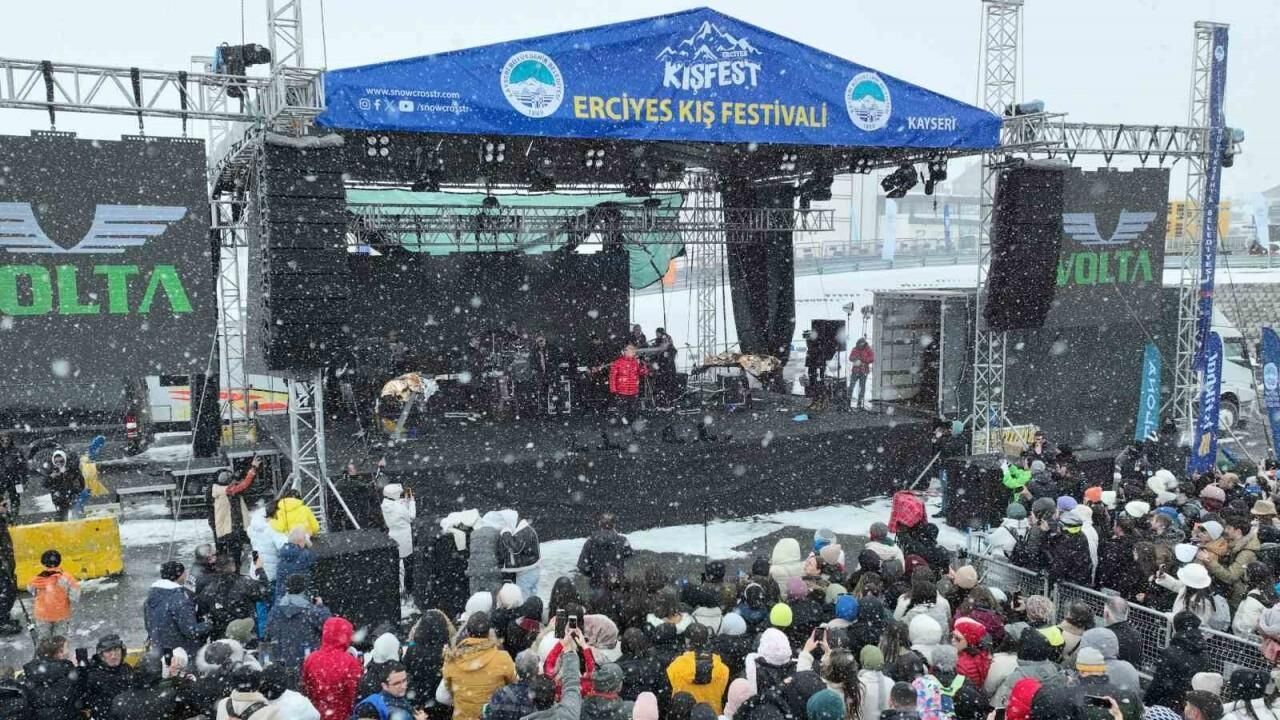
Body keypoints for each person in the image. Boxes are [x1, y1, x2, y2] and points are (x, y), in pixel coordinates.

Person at [440, 612, 518, 720]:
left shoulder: (452, 660)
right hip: (492, 716)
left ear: (467, 632)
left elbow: (448, 690)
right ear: (489, 633)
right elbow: (515, 685)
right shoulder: (502, 658)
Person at [263, 573, 331, 669]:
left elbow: (267, 634)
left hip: (281, 662)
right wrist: (321, 606)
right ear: (305, 589)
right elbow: (329, 627)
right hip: (307, 661)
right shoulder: (312, 611)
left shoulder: (276, 610)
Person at [197, 553, 271, 641]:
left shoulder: (207, 590)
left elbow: (202, 615)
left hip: (221, 639)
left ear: (216, 568)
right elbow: (265, 591)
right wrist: (259, 569)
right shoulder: (245, 584)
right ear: (233, 567)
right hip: (245, 634)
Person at [301, 616, 363, 720]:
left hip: (316, 714)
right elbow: (354, 693)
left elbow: (306, 688)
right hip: (341, 715)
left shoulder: (311, 659)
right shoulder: (351, 662)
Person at [1145, 611, 1209, 711]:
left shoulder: (1170, 653)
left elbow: (1158, 684)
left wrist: (1147, 702)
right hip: (1192, 706)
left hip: (1169, 705)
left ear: (1176, 628)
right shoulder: (1204, 654)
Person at [144, 560, 208, 658]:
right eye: (184, 573)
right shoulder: (180, 599)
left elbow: (149, 625)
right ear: (180, 575)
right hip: (180, 653)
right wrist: (208, 624)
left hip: (160, 650)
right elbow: (191, 630)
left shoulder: (150, 597)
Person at [208, 457, 260, 572]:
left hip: (231, 528)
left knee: (232, 554)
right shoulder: (228, 491)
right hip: (230, 530)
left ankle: (233, 571)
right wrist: (253, 469)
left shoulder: (218, 489)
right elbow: (244, 485)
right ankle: (236, 572)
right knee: (235, 555)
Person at [667, 623, 730, 713]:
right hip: (712, 715)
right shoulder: (722, 669)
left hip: (685, 714)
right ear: (707, 640)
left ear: (687, 641)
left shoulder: (675, 666)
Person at [1200, 514, 1260, 605]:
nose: (1225, 531)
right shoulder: (1233, 544)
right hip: (1229, 591)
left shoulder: (1246, 553)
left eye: (1228, 528)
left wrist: (1209, 561)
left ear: (1238, 532)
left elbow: (1231, 576)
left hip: (1236, 596)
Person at [22, 634, 81, 719]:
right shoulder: (66, 670)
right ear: (59, 652)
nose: (68, 651)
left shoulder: (31, 671)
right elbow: (70, 694)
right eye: (66, 648)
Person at [25, 549, 77, 641]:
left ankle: (44, 648)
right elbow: (75, 594)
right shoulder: (66, 578)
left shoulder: (36, 579)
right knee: (60, 638)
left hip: (42, 614)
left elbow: (30, 589)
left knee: (43, 638)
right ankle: (58, 649)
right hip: (61, 613)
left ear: (43, 563)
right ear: (59, 562)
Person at [351, 662, 427, 720]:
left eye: (404, 680)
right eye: (397, 683)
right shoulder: (371, 707)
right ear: (384, 686)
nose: (403, 686)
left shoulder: (397, 696)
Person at [83, 633, 134, 718]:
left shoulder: (126, 668)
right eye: (108, 651)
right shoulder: (93, 675)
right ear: (102, 655)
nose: (113, 655)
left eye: (117, 649)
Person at [381, 484, 417, 597]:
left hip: (393, 536)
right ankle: (408, 590)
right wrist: (412, 502)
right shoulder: (399, 508)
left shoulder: (384, 505)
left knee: (395, 567)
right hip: (404, 539)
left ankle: (396, 591)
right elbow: (411, 517)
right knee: (408, 566)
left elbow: (397, 509)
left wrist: (404, 502)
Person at [578, 513, 633, 588]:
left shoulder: (590, 542)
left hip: (597, 585)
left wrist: (594, 574)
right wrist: (618, 573)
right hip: (618, 585)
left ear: (600, 524)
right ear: (614, 525)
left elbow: (582, 565)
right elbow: (630, 560)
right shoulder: (622, 541)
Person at [608, 343, 649, 427]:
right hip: (621, 391)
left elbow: (643, 372)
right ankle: (622, 423)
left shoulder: (636, 362)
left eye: (633, 349)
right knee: (622, 409)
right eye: (630, 349)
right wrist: (613, 389)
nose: (633, 351)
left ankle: (630, 425)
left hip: (633, 391)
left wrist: (643, 364)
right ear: (625, 351)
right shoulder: (618, 362)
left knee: (632, 409)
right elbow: (612, 377)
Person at [1102, 596, 1144, 668]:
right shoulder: (1137, 635)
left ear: (1106, 614)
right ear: (1127, 613)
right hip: (1130, 672)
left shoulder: (1104, 636)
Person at [275, 526, 316, 600]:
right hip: (300, 596)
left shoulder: (282, 553)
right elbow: (314, 557)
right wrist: (309, 543)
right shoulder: (304, 555)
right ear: (301, 541)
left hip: (283, 597)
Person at [44, 449, 83, 520]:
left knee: (77, 517)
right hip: (59, 499)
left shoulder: (72, 469)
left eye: (61, 461)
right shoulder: (52, 470)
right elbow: (45, 484)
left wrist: (75, 491)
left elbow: (81, 482)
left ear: (65, 460)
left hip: (72, 496)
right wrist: (51, 477)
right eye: (56, 462)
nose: (59, 464)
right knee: (62, 518)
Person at [0, 434, 24, 519]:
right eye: (3, 440)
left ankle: (14, 516)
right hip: (1, 479)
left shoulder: (16, 451)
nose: (5, 442)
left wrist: (24, 480)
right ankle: (4, 515)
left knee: (15, 499)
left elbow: (23, 466)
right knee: (1, 498)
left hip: (15, 479)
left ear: (10, 440)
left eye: (7, 440)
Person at [848, 338, 874, 411]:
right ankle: (848, 403)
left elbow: (872, 358)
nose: (861, 345)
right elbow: (850, 358)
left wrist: (863, 359)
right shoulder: (855, 349)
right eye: (860, 344)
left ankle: (859, 404)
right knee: (851, 387)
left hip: (864, 371)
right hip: (855, 371)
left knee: (862, 388)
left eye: (862, 344)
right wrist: (856, 358)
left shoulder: (868, 349)